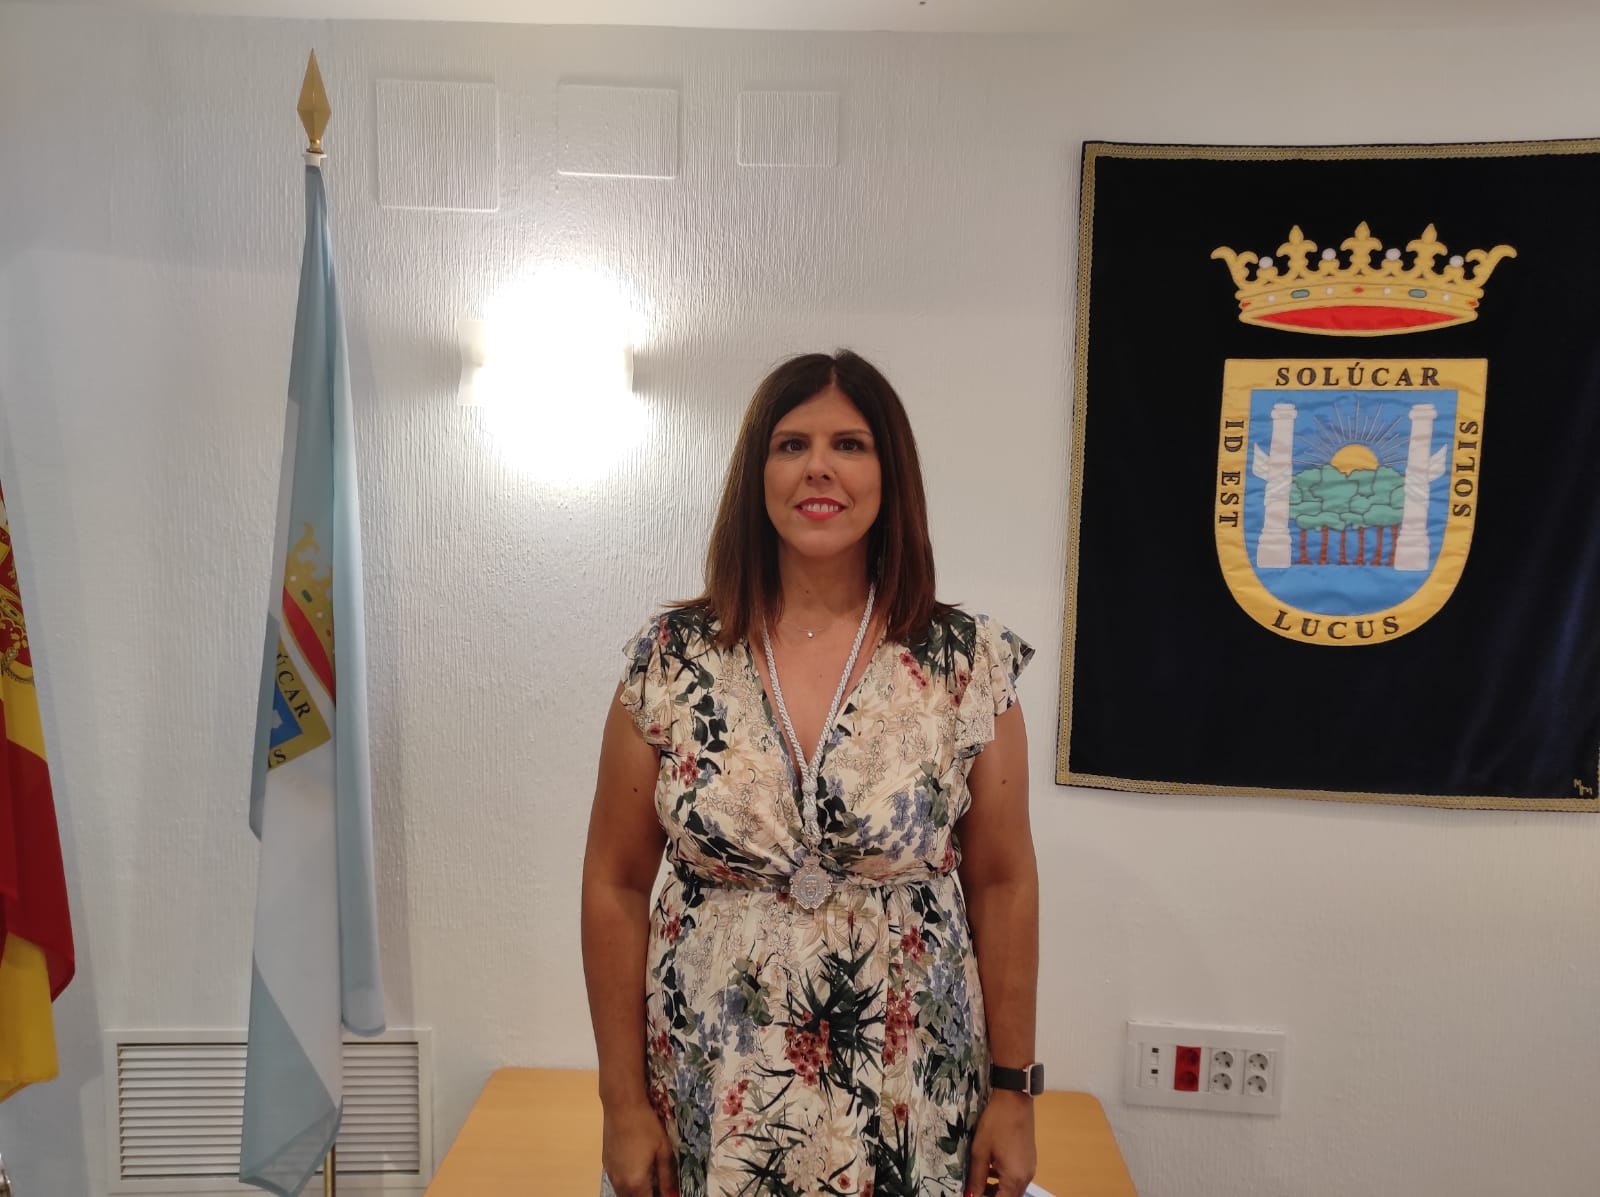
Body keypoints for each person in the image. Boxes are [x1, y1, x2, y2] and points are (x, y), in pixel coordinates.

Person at [582, 350, 1040, 1197]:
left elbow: (1004, 882)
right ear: (757, 474)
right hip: (712, 1088)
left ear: (889, 473)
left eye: (849, 444)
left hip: (910, 1098)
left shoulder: (963, 662)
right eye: (791, 444)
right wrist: (620, 1101)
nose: (818, 467)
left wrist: (1015, 1092)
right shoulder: (671, 659)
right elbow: (614, 882)